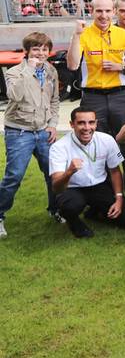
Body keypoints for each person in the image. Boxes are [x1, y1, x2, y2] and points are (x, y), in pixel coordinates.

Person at [0, 32, 62, 238]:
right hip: (19, 132)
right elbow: (14, 95)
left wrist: (52, 125)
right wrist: (30, 70)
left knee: (53, 173)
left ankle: (55, 209)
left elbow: (54, 100)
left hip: (44, 131)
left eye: (44, 49)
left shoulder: (51, 70)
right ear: (27, 51)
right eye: (36, 49)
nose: (41, 53)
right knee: (14, 176)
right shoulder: (14, 72)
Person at [50, 108, 125, 237]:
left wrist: (119, 199)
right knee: (70, 205)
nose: (87, 127)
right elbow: (57, 187)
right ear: (72, 124)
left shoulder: (106, 140)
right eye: (81, 123)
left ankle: (94, 212)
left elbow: (115, 171)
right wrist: (69, 172)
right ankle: (75, 223)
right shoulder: (59, 147)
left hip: (100, 186)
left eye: (91, 122)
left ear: (96, 123)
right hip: (73, 189)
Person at [66, 0, 125, 134]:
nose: (104, 15)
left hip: (120, 96)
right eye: (99, 11)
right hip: (92, 97)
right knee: (94, 140)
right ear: (91, 11)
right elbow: (72, 65)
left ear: (113, 11)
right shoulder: (82, 34)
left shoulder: (124, 35)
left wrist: (121, 67)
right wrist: (76, 36)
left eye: (108, 11)